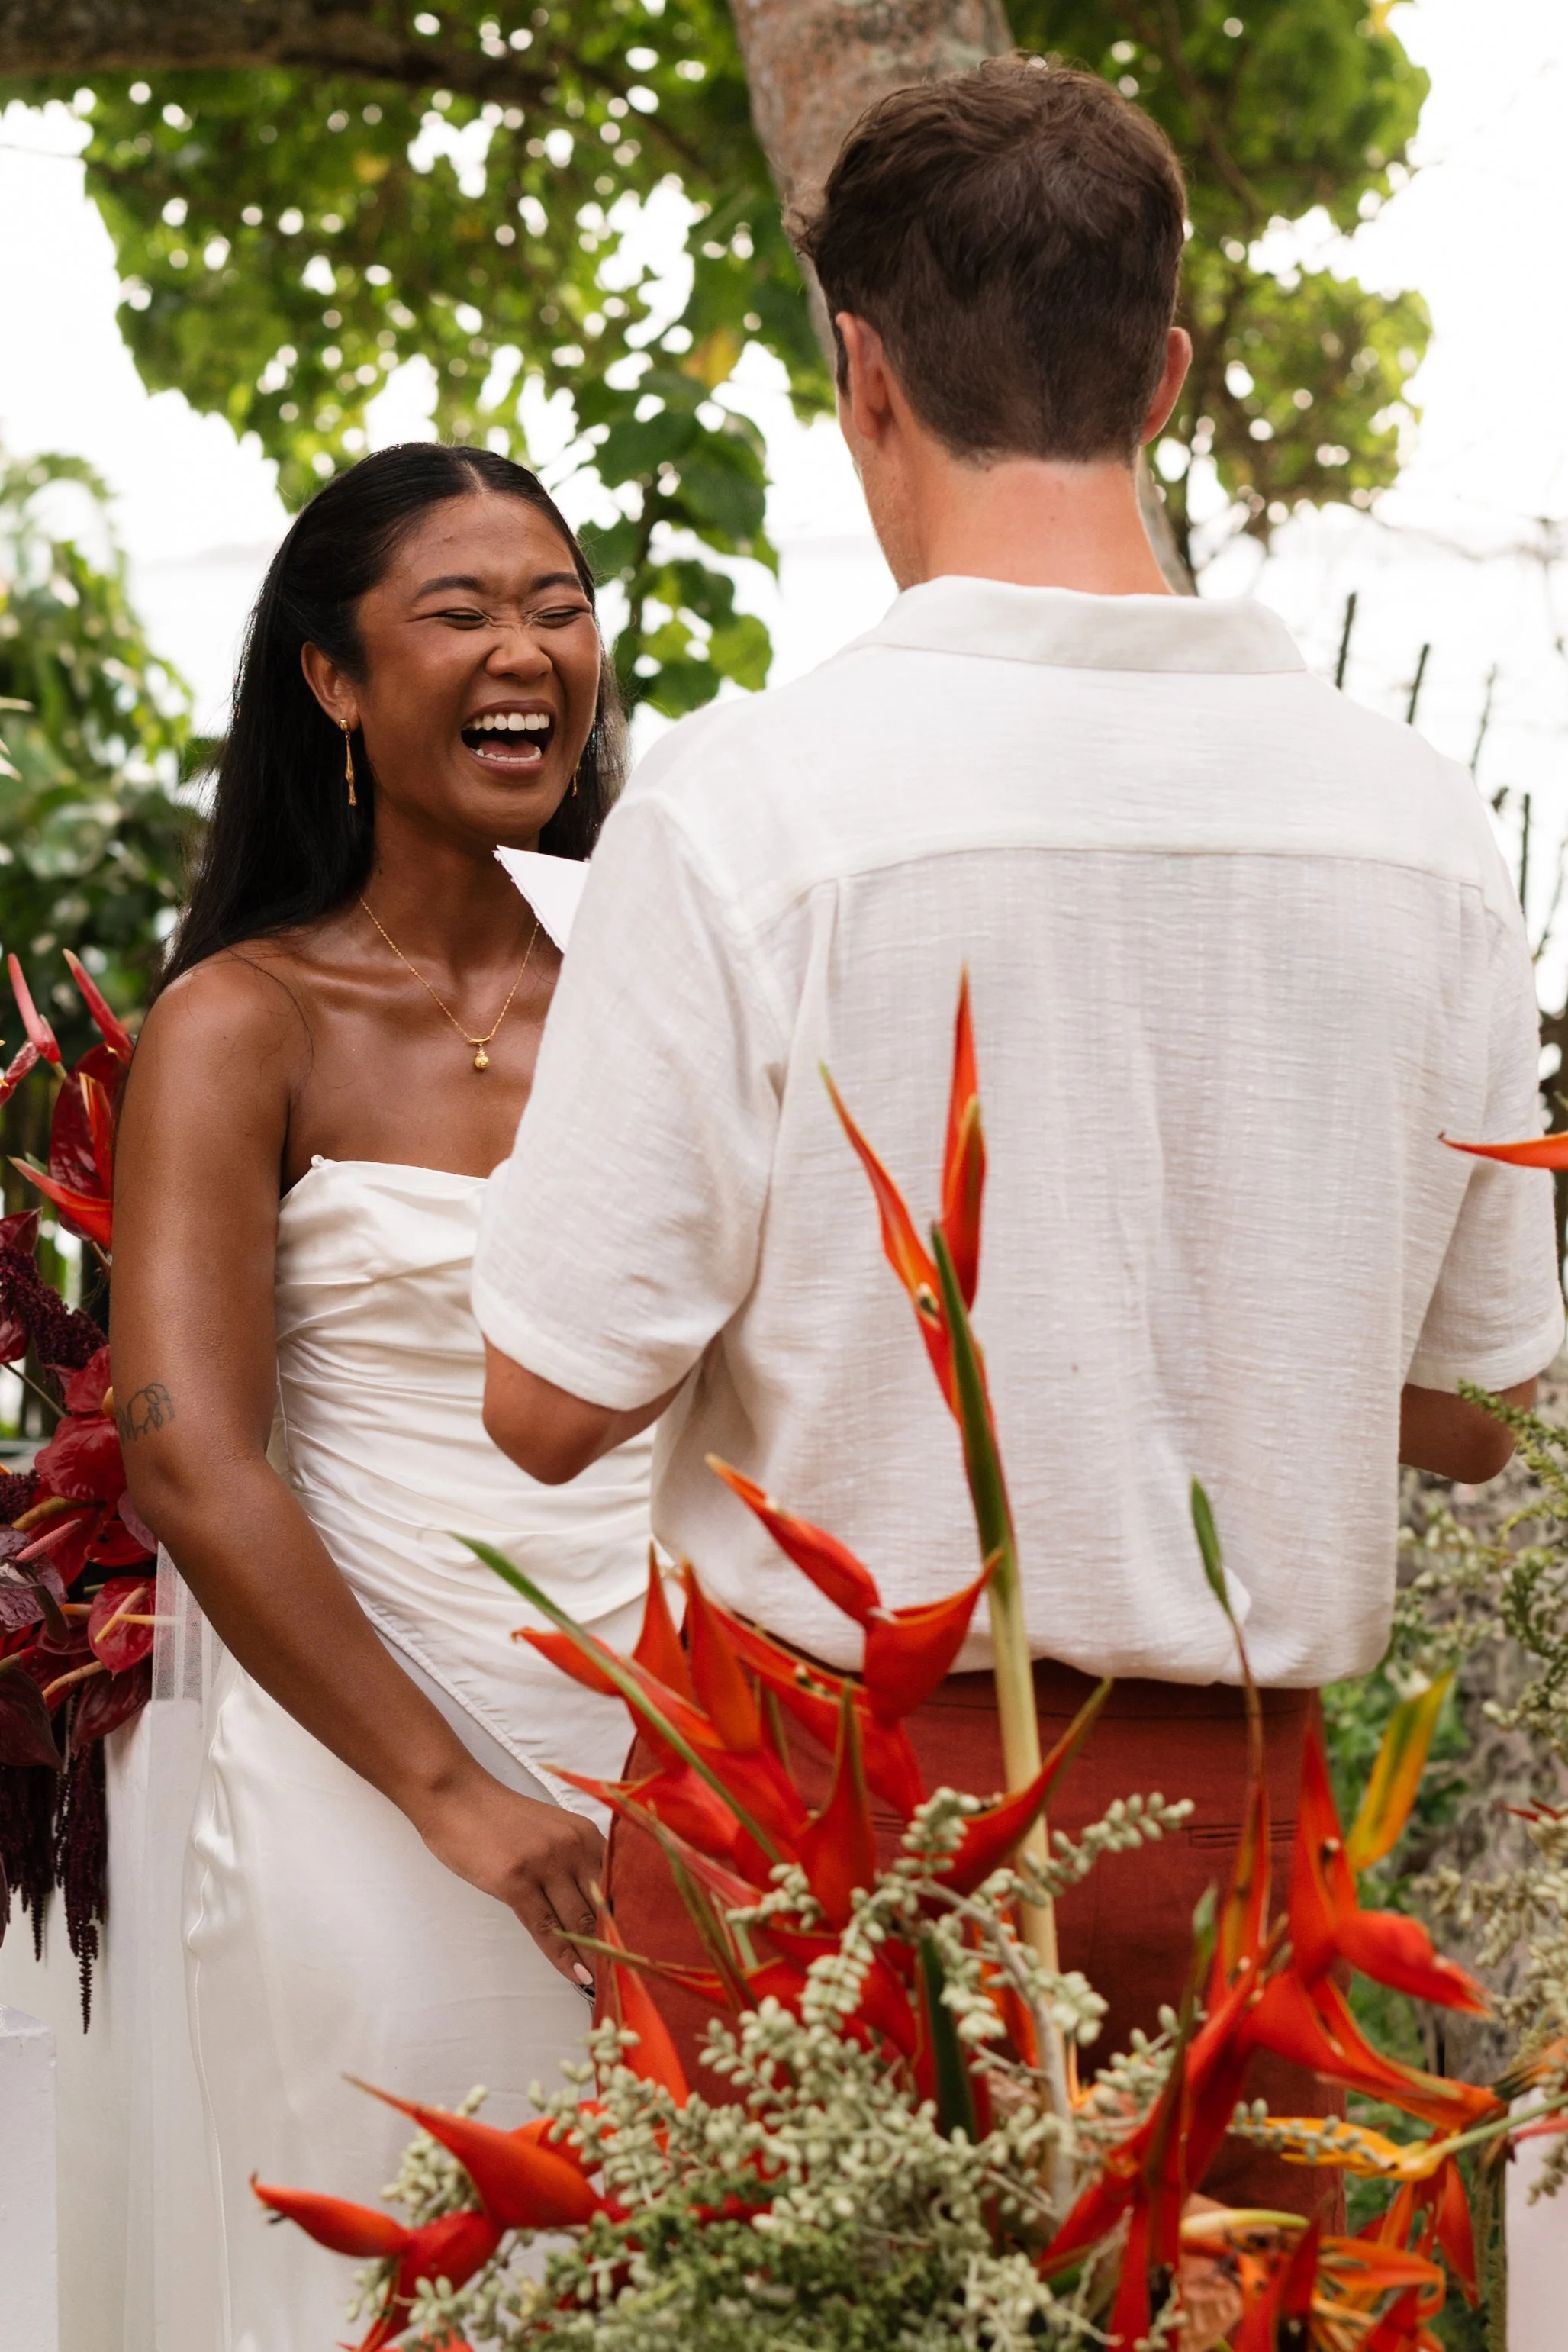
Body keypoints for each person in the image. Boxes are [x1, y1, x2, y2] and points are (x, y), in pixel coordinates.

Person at [471, 56, 1563, 2211]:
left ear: (855, 371)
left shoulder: (750, 807)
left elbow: (539, 1402)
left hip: (826, 1816)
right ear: (1162, 369)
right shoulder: (1415, 828)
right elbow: (1476, 1405)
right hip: (1235, 1842)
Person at [110, 443, 655, 2350]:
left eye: (557, 605)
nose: (526, 648)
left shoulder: (665, 978)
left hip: (681, 1758)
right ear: (332, 679)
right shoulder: (244, 1017)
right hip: (371, 1763)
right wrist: (457, 1798)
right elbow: (185, 1453)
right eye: (462, 611)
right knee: (393, 2281)